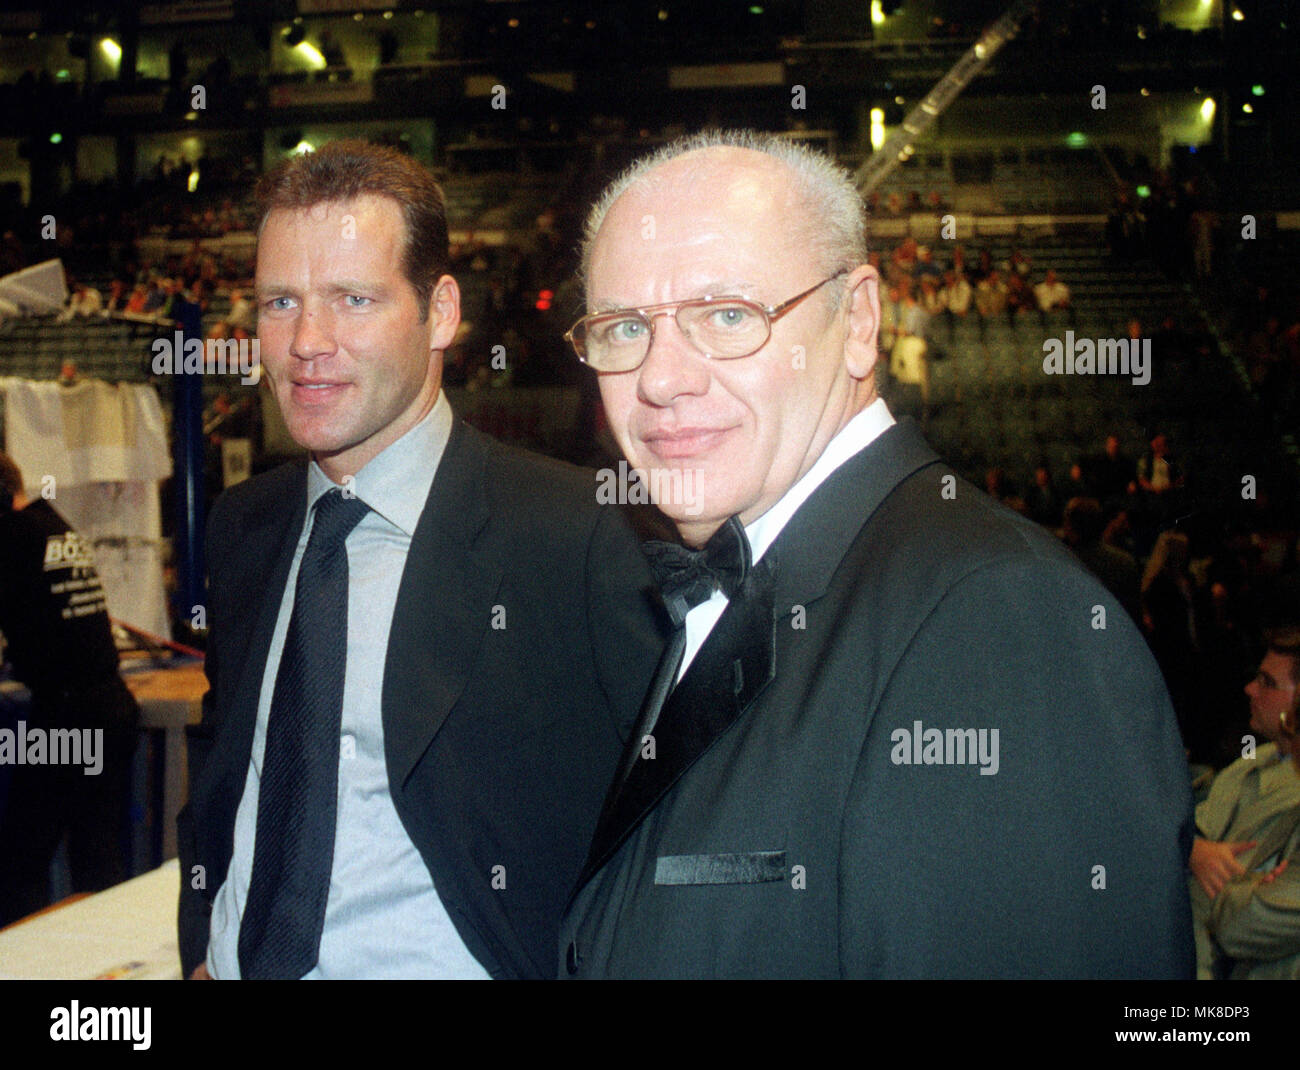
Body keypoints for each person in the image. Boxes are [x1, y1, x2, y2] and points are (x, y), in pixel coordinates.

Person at [558, 130, 1193, 979]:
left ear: (858, 323)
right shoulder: (726, 578)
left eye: (727, 315)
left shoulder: (996, 623)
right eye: (625, 327)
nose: (662, 379)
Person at [176, 140, 662, 980]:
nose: (306, 342)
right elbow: (229, 777)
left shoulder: (579, 537)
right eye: (279, 302)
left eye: (353, 300)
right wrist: (205, 945)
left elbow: (665, 824)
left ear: (441, 311)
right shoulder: (246, 528)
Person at [0, 453, 139, 926]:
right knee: (96, 856)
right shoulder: (55, 526)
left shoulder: (12, 535)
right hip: (112, 707)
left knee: (21, 859)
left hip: (68, 717)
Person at [1191, 628, 1300, 979]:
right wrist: (1194, 849)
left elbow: (1242, 923)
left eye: (1267, 683)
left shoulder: (1291, 791)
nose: (1250, 689)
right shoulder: (1256, 759)